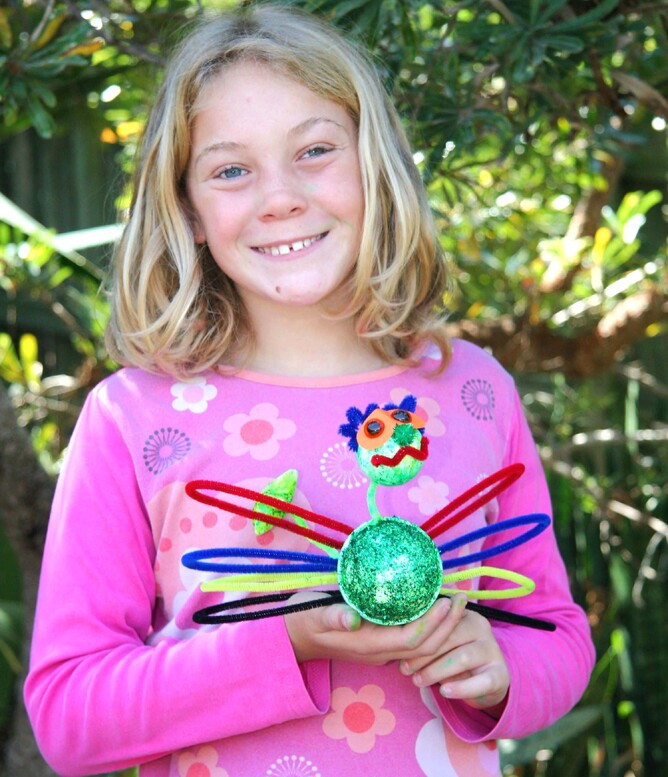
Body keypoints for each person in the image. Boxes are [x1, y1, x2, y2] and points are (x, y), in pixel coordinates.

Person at [24, 5, 595, 776]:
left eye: (315, 150)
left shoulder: (472, 390)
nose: (281, 197)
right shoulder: (134, 416)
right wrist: (284, 643)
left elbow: (556, 635)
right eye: (231, 170)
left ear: (374, 163)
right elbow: (68, 715)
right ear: (189, 208)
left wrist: (498, 669)